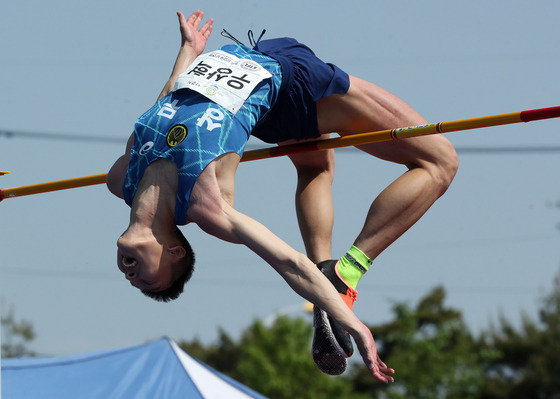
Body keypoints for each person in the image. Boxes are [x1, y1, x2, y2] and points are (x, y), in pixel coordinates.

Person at [106, 9, 458, 382]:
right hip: (291, 81)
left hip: (261, 101)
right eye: (148, 280)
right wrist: (354, 325)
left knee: (315, 168)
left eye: (137, 282)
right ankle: (345, 274)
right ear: (173, 251)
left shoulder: (121, 177)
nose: (133, 279)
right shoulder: (208, 206)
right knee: (440, 161)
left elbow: (166, 103)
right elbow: (288, 263)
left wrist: (188, 51)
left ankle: (328, 270)